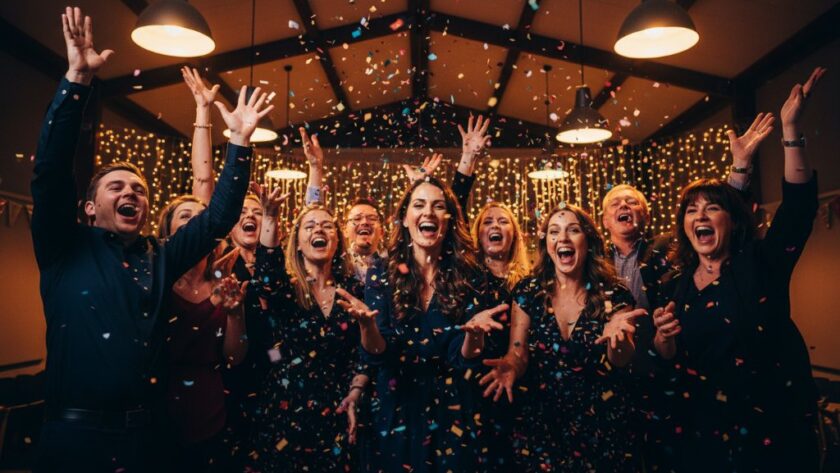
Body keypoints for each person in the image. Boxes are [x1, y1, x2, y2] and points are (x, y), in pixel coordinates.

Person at [30, 7, 271, 471]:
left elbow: (217, 217)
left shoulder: (159, 257)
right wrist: (76, 82)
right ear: (88, 206)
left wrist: (239, 144)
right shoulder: (64, 247)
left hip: (148, 438)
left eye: (139, 189)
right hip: (74, 437)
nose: (131, 193)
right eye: (116, 187)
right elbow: (50, 172)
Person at [651, 67, 826, 473]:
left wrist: (790, 129)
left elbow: (799, 209)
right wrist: (661, 338)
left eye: (712, 208)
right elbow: (666, 359)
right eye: (691, 210)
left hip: (775, 436)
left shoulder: (760, 265)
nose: (701, 215)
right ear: (684, 228)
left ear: (731, 221)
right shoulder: (676, 287)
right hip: (704, 439)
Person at [336, 176, 509, 472]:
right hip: (398, 405)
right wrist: (368, 328)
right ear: (405, 219)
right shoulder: (382, 271)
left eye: (438, 206)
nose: (428, 212)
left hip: (454, 409)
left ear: (449, 220)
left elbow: (464, 358)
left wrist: (475, 336)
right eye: (419, 205)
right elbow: (380, 352)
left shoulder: (471, 274)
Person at [480, 203, 647, 472]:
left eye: (573, 230)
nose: (563, 238)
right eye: (554, 232)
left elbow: (621, 359)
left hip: (601, 427)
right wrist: (510, 366)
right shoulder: (528, 291)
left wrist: (618, 340)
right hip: (542, 426)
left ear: (588, 241)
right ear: (547, 243)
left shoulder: (613, 293)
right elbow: (518, 351)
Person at [246, 182, 366, 471]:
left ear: (337, 240)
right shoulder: (285, 289)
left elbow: (361, 353)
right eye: (309, 226)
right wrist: (271, 217)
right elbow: (265, 278)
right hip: (285, 413)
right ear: (298, 243)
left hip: (338, 410)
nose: (319, 231)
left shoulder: (353, 291)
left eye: (327, 226)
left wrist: (357, 390)